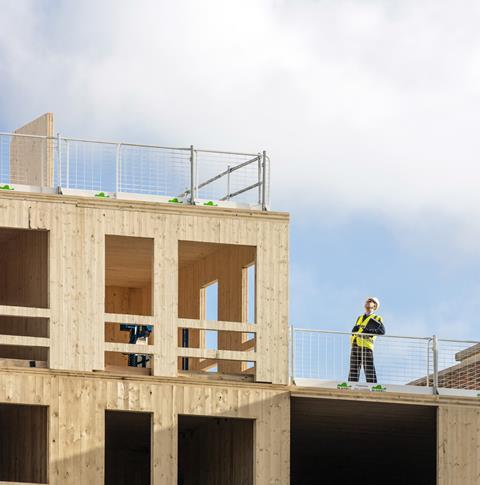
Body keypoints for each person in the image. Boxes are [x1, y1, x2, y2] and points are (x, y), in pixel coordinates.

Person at [348, 297, 385, 383]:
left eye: (371, 301)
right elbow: (357, 329)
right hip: (355, 344)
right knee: (353, 368)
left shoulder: (377, 317)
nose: (368, 302)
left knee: (368, 368)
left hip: (366, 346)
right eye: (367, 301)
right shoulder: (360, 317)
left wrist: (368, 331)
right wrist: (354, 331)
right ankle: (351, 385)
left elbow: (382, 331)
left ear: (374, 305)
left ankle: (373, 386)